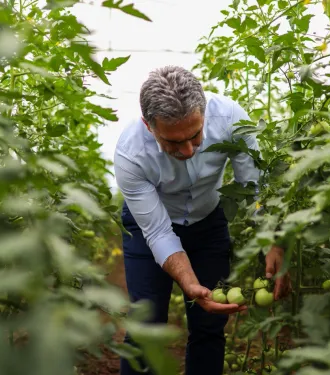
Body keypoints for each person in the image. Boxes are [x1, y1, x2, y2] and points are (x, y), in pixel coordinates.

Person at [113, 65, 291, 375]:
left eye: (195, 136)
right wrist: (189, 281)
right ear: (148, 125)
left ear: (204, 112)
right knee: (146, 325)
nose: (188, 150)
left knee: (210, 326)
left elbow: (253, 187)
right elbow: (157, 231)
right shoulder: (131, 153)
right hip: (148, 230)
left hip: (208, 222)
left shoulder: (231, 118)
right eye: (172, 143)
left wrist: (272, 241)